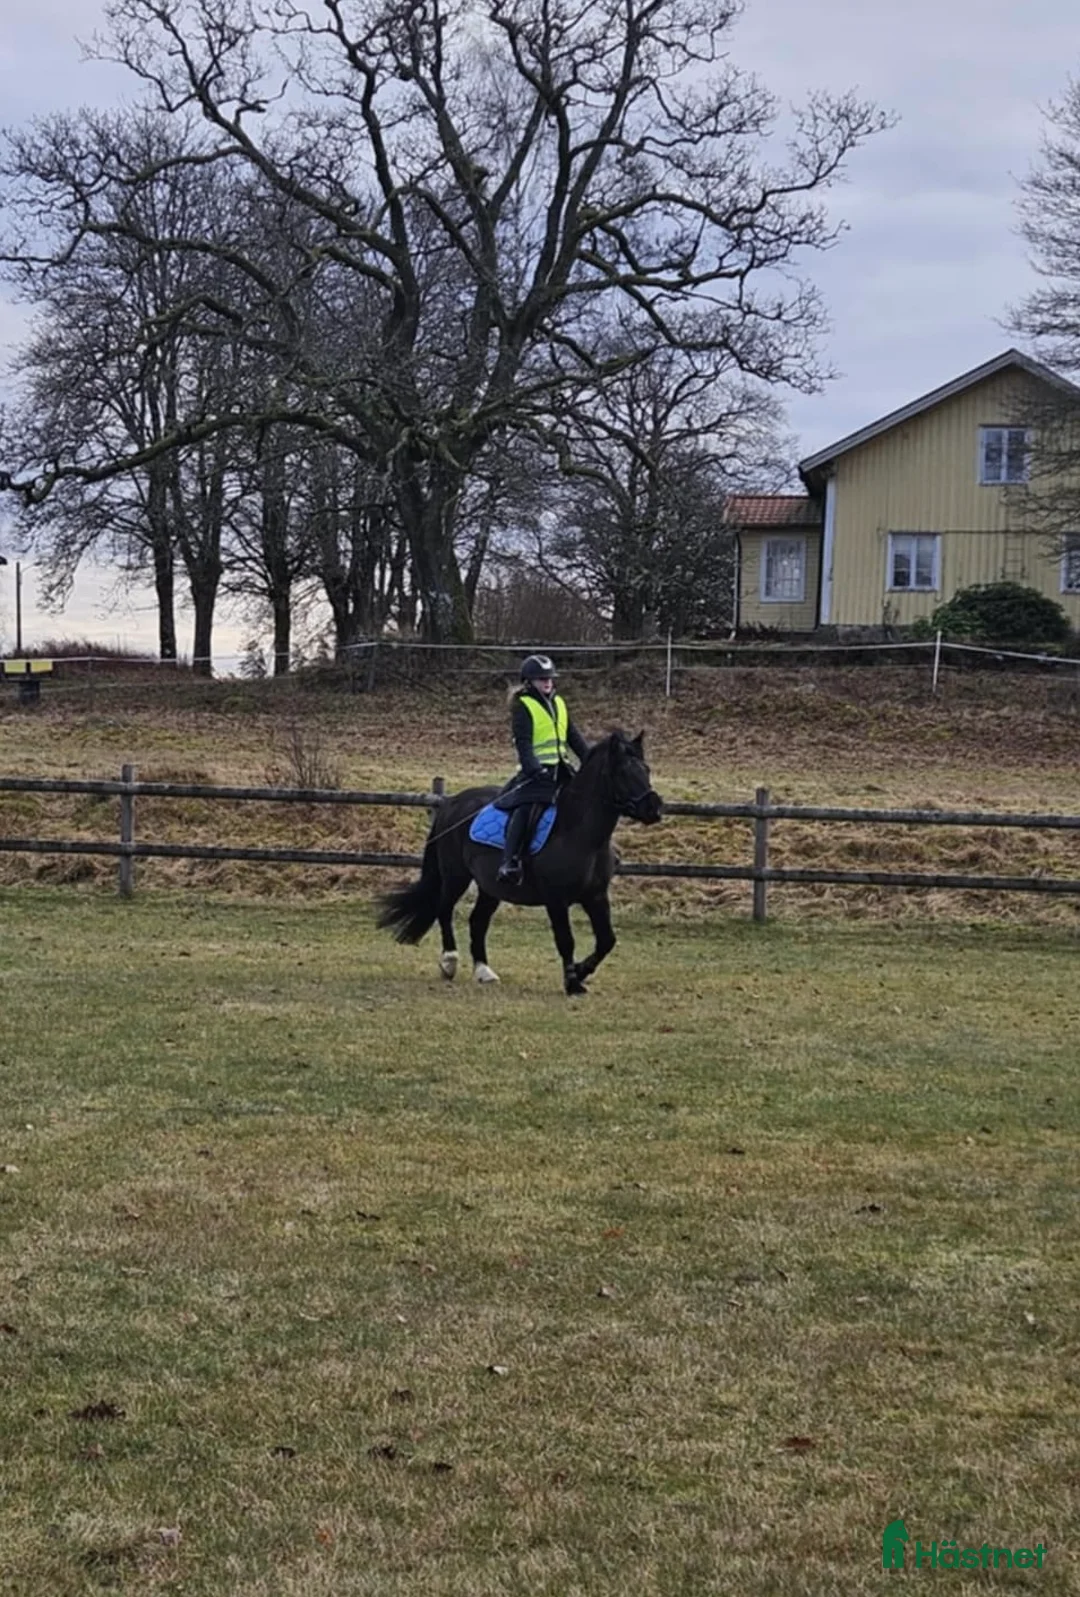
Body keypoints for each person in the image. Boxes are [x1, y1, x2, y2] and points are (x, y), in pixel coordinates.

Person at [494, 654, 590, 884]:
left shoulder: (559, 703)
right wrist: (535, 769)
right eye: (541, 679)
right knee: (526, 808)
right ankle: (510, 861)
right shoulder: (523, 706)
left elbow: (573, 737)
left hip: (562, 771)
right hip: (535, 774)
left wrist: (590, 759)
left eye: (549, 678)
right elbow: (524, 743)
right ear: (529, 681)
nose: (547, 682)